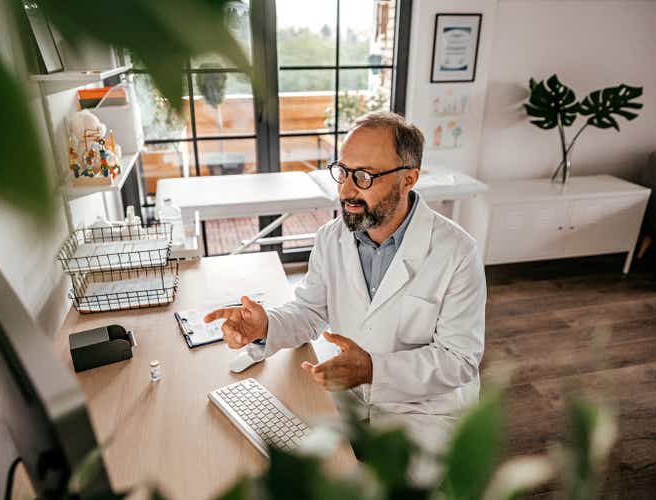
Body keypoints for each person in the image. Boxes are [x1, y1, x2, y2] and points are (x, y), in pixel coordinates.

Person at [204, 111, 486, 482]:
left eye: (364, 176)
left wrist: (373, 369)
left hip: (424, 411)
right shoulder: (331, 238)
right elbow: (309, 310)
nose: (347, 190)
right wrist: (265, 325)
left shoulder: (457, 252)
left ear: (408, 179)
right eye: (343, 171)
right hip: (352, 398)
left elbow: (459, 361)